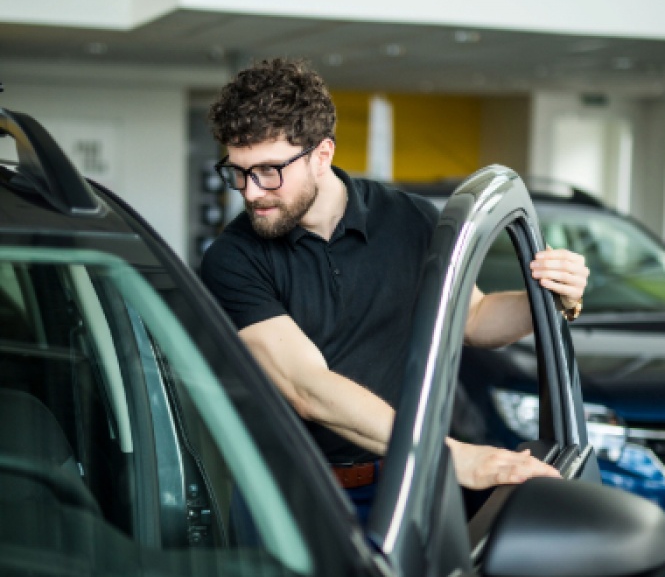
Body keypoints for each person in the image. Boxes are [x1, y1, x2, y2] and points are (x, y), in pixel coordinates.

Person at [201, 58, 589, 523]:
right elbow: (307, 387)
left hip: (400, 479)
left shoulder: (410, 219)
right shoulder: (233, 257)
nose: (250, 191)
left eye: (267, 171)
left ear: (322, 154)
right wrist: (452, 455)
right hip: (288, 493)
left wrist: (549, 300)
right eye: (238, 171)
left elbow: (474, 317)